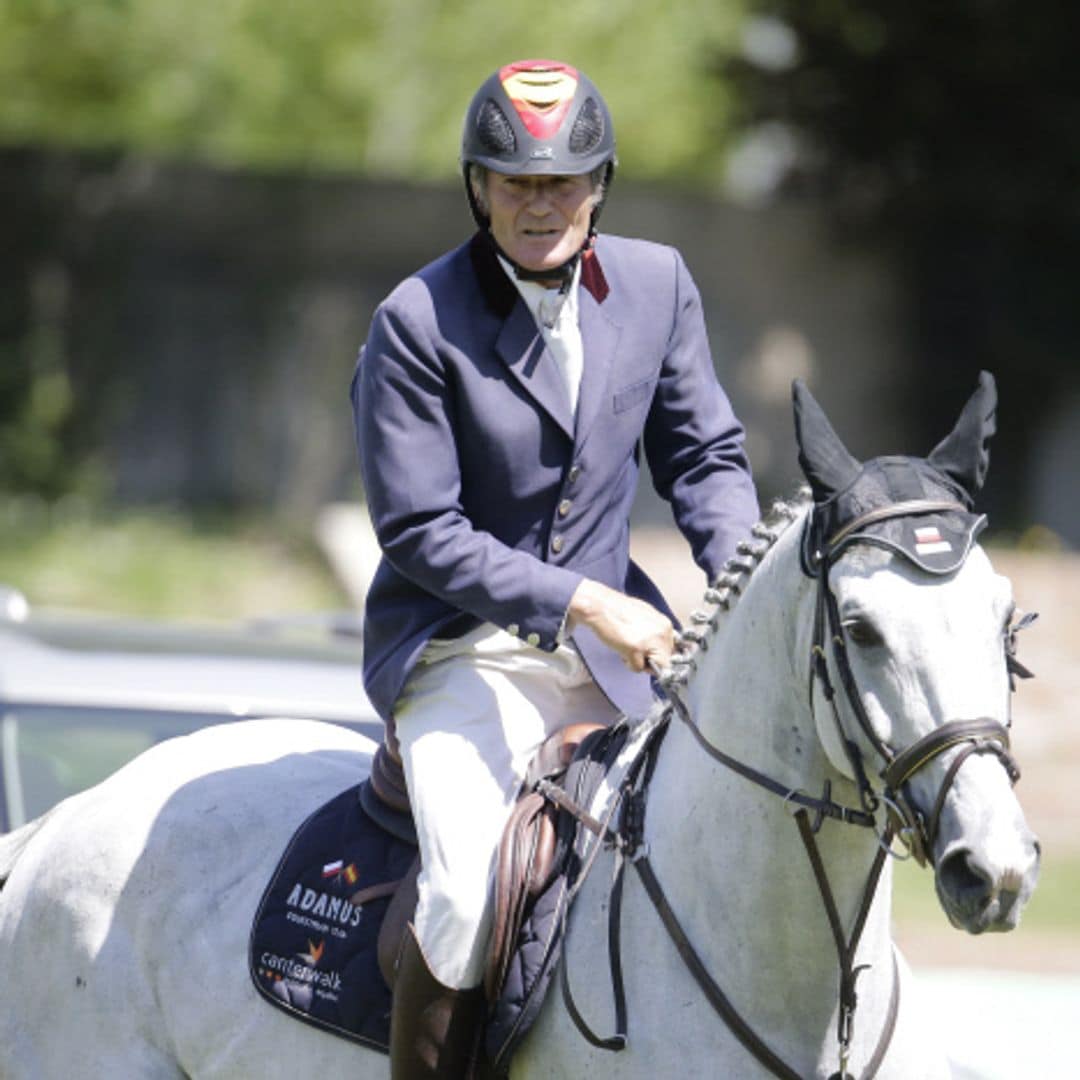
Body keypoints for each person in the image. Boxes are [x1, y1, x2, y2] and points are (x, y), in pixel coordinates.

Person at [351, 59, 760, 1077]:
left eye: (562, 182)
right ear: (477, 187)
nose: (540, 205)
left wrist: (744, 580)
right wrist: (584, 601)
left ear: (600, 185)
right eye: (514, 181)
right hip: (459, 653)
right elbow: (419, 532)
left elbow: (703, 456)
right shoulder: (416, 319)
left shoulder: (659, 283)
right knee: (460, 896)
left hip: (616, 646)